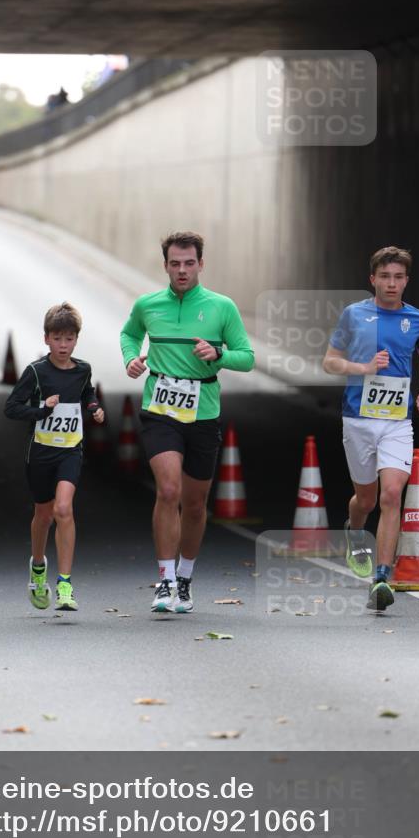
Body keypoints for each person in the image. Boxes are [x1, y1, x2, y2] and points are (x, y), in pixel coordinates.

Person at [120, 231, 255, 614]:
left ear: (200, 264)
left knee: (195, 504)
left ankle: (184, 577)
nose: (182, 270)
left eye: (189, 263)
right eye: (175, 264)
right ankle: (164, 579)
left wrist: (219, 354)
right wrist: (132, 357)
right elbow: (130, 334)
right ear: (165, 265)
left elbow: (247, 356)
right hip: (160, 409)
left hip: (203, 412)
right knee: (168, 489)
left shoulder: (221, 307)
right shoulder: (148, 304)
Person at [322, 246, 419, 611]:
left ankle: (381, 577)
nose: (392, 283)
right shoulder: (354, 315)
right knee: (366, 500)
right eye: (385, 276)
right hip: (357, 419)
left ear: (407, 280)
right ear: (373, 279)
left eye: (398, 277)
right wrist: (363, 368)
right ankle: (355, 530)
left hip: (397, 423)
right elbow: (329, 362)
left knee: (391, 495)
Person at [5, 303, 104, 612]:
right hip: (41, 453)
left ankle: (64, 584)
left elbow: (86, 393)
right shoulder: (36, 371)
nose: (63, 346)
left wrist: (93, 408)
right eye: (58, 339)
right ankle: (37, 567)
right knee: (44, 515)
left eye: (69, 339)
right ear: (46, 339)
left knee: (64, 509)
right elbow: (11, 407)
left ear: (76, 339)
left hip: (70, 450)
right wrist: (42, 410)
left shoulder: (83, 369)